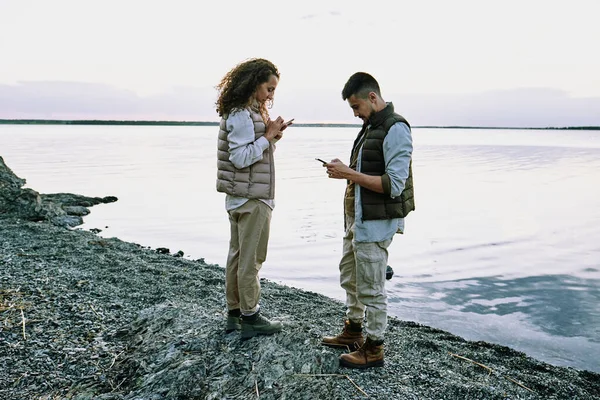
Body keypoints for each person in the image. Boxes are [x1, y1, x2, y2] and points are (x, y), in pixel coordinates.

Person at [320, 72, 415, 368]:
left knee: (372, 287)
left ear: (372, 98)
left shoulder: (395, 128)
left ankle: (374, 348)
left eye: (356, 107)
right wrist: (344, 171)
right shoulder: (370, 126)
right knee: (350, 277)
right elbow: (364, 174)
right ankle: (354, 331)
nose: (355, 113)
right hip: (356, 219)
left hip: (375, 223)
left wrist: (349, 174)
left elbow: (394, 185)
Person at [215, 58, 291, 339]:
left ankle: (234, 315)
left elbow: (250, 152)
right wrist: (267, 137)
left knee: (237, 257)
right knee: (252, 259)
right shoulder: (242, 115)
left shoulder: (243, 112)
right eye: (269, 89)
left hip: (241, 196)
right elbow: (241, 158)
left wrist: (272, 136)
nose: (271, 95)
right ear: (254, 83)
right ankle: (251, 316)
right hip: (252, 199)